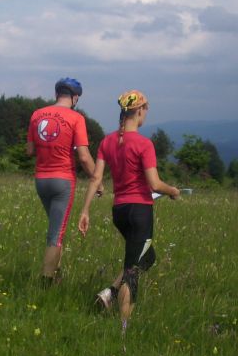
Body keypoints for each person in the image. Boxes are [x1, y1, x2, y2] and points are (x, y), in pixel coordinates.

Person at [78, 89, 179, 334]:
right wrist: (173, 190)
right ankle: (123, 330)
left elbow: (96, 178)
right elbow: (154, 184)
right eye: (145, 111)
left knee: (148, 257)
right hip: (140, 211)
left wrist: (85, 210)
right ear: (140, 111)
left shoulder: (107, 142)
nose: (146, 115)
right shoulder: (144, 144)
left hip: (120, 212)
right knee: (132, 269)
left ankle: (110, 293)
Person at [27, 77, 97, 283]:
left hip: (41, 179)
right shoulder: (76, 118)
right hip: (63, 180)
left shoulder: (37, 115)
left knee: (57, 228)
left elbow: (29, 150)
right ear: (75, 98)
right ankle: (46, 282)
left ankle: (56, 275)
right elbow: (84, 156)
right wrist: (97, 179)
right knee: (56, 234)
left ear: (57, 93)